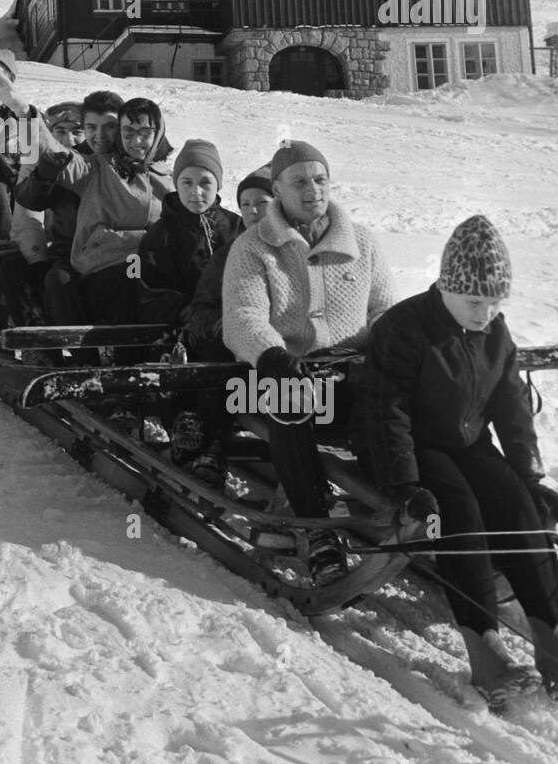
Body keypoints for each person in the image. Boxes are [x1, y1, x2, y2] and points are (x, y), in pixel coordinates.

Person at [354, 216, 558, 706]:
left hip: (466, 443)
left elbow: (511, 405)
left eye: (496, 302)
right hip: (410, 450)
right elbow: (385, 412)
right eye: (475, 301)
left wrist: (530, 474)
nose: (486, 313)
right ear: (447, 288)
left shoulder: (495, 331)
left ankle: (557, 643)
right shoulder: (403, 328)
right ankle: (485, 652)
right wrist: (405, 485)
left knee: (517, 506)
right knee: (461, 512)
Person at [221, 140, 395, 586]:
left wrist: (390, 347)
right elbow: (243, 316)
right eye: (299, 181)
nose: (312, 189)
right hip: (281, 374)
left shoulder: (362, 243)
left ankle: (397, 500)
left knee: (399, 400)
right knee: (289, 402)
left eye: (320, 179)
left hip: (349, 373)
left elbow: (383, 311)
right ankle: (316, 526)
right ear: (277, 189)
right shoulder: (253, 248)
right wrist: (272, 354)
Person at [135, 141, 243, 480]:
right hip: (177, 320)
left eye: (205, 183)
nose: (196, 192)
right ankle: (181, 423)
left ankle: (214, 439)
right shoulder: (160, 233)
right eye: (187, 183)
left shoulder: (235, 228)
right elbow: (148, 288)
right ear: (176, 184)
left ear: (218, 186)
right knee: (176, 355)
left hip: (224, 322)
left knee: (223, 356)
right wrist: (185, 313)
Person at [173, 163, 275, 486]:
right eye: (246, 204)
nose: (253, 212)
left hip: (280, 356)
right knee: (225, 346)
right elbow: (199, 311)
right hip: (236, 353)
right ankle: (214, 443)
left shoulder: (301, 253)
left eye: (263, 203)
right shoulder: (230, 256)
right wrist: (227, 325)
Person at [33, 96, 172, 326]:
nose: (136, 140)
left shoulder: (167, 178)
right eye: (128, 132)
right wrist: (25, 112)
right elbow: (58, 156)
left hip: (139, 265)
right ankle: (87, 356)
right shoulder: (97, 166)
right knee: (123, 277)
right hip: (97, 261)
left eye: (145, 133)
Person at [3, 101, 86, 325]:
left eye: (77, 132)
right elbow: (27, 216)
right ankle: (34, 335)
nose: (69, 140)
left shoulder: (94, 161)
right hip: (59, 250)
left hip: (93, 252)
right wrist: (37, 257)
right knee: (13, 266)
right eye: (61, 131)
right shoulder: (38, 161)